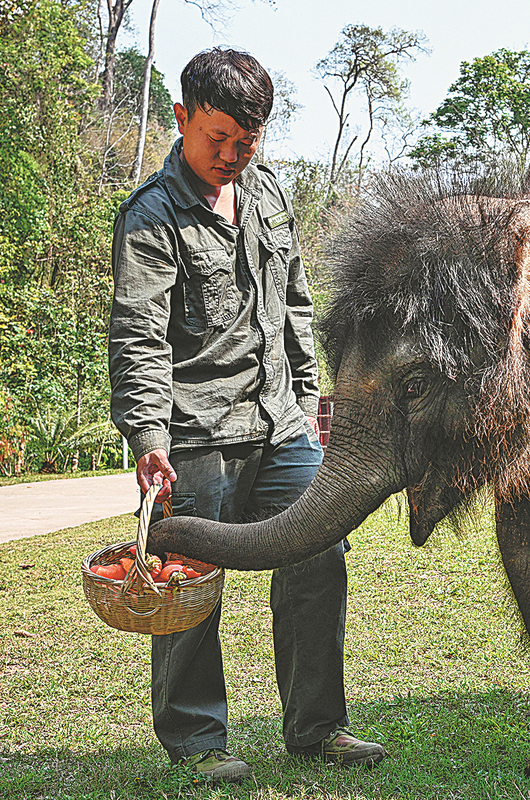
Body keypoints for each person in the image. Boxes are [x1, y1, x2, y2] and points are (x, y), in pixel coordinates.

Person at [108, 47, 384, 783]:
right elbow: (138, 336)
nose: (232, 155)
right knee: (191, 585)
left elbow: (294, 302)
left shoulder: (267, 191)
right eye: (218, 138)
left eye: (247, 141)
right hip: (193, 434)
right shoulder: (150, 217)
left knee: (319, 559)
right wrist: (148, 436)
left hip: (281, 424)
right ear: (182, 119)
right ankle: (199, 743)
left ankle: (319, 728)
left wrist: (308, 399)